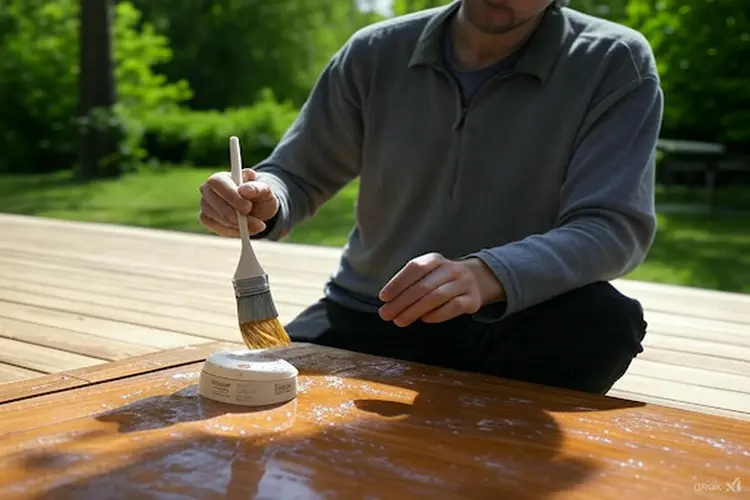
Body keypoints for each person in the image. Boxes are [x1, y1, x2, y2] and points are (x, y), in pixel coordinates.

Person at [198, 0, 663, 396]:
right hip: (369, 311)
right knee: (258, 398)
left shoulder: (613, 61)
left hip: (514, 323)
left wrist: (489, 275)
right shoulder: (374, 51)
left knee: (602, 322)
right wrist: (265, 198)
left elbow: (612, 225)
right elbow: (296, 175)